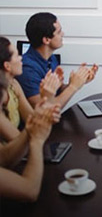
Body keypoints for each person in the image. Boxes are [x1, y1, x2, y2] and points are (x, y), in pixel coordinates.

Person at [0, 70, 60, 202]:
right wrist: (36, 140)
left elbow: (3, 157)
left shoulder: (14, 85)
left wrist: (34, 124)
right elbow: (29, 190)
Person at [16, 13, 98, 109]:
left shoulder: (51, 59)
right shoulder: (27, 69)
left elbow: (57, 92)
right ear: (46, 40)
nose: (63, 34)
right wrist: (73, 87)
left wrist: (79, 80)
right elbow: (45, 110)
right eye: (59, 32)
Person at [0, 36, 61, 134]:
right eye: (17, 56)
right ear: (7, 66)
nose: (21, 58)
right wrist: (73, 87)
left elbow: (33, 119)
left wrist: (47, 96)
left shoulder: (14, 85)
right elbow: (16, 142)